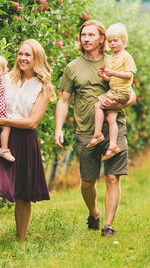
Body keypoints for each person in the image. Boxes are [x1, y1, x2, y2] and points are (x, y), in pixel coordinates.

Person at [54, 20, 135, 238]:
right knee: (88, 181)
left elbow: (131, 93)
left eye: (91, 35)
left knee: (112, 177)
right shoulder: (73, 67)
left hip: (114, 126)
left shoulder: (115, 59)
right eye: (83, 35)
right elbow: (63, 100)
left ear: (102, 39)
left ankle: (108, 225)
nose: (86, 38)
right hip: (86, 130)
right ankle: (94, 213)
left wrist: (121, 104)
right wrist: (58, 128)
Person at [0, 39, 55, 248]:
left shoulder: (43, 86)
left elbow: (32, 122)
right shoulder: (5, 78)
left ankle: (20, 239)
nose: (22, 58)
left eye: (27, 55)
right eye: (20, 54)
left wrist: (4, 121)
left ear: (37, 58)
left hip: (23, 138)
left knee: (23, 191)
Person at [86, 23, 137, 161]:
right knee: (111, 118)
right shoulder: (109, 58)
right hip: (115, 89)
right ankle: (113, 146)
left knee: (98, 105)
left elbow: (129, 76)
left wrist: (114, 73)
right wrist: (104, 76)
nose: (112, 44)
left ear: (124, 42)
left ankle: (97, 134)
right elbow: (110, 80)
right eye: (110, 42)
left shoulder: (126, 57)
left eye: (116, 41)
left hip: (122, 91)